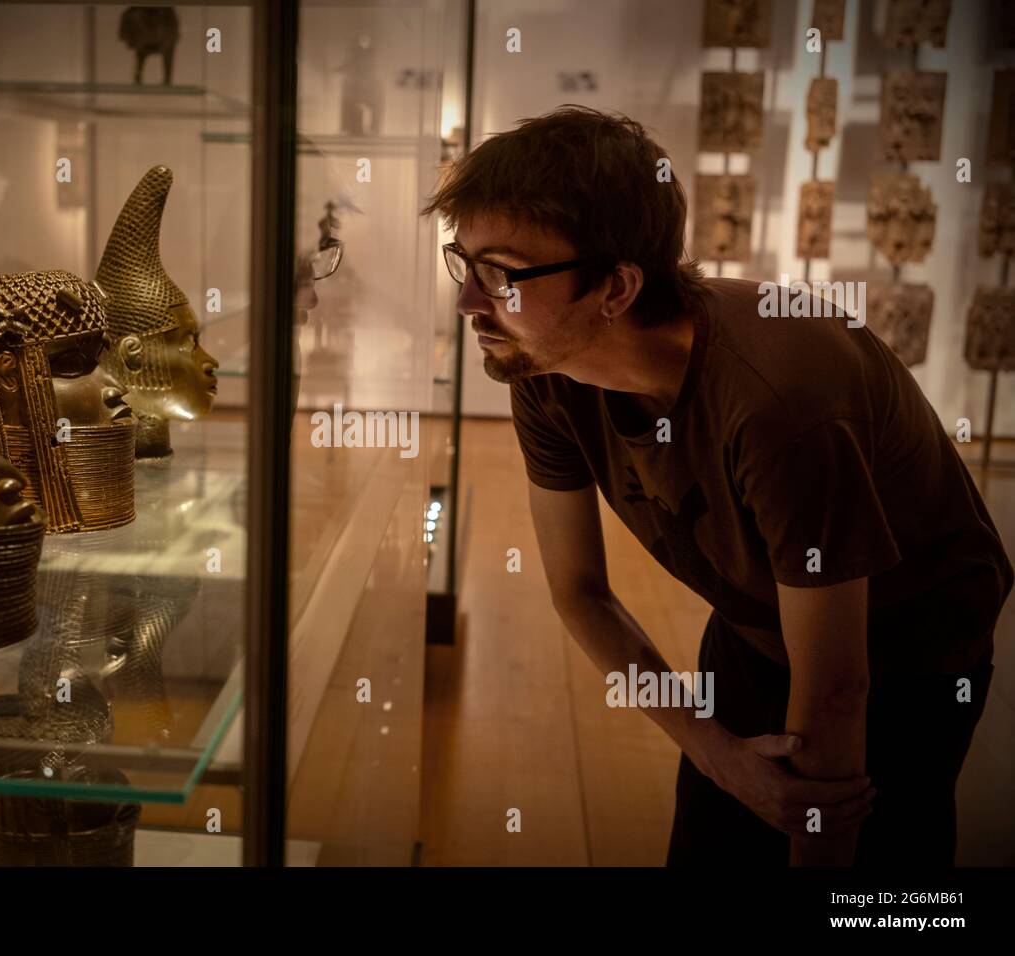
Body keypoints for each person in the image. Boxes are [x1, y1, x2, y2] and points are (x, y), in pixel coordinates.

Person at [421, 105, 1013, 867]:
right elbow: (580, 591)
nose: (470, 300)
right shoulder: (543, 366)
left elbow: (839, 686)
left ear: (616, 287)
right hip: (755, 621)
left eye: (501, 273)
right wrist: (712, 750)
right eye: (464, 264)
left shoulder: (779, 406)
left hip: (909, 655)